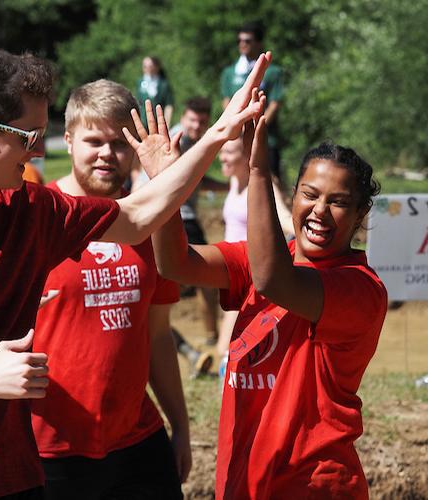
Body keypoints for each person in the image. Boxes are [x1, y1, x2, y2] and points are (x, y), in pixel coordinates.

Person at [0, 47, 271, 498]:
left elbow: (138, 216)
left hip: (16, 479)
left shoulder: (29, 210)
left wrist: (219, 133)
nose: (39, 151)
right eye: (28, 137)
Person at [151, 95, 388, 498]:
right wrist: (163, 184)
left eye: (339, 203)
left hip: (313, 484)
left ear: (362, 214)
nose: (319, 211)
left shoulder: (360, 289)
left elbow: (273, 281)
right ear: (294, 195)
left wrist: (257, 169)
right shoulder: (255, 259)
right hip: (244, 478)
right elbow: (175, 263)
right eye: (310, 194)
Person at [31, 79, 189, 500]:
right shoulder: (37, 218)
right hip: (50, 446)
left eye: (119, 143)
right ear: (67, 140)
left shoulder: (151, 226)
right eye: (93, 140)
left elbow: (158, 336)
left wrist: (181, 427)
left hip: (137, 438)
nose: (106, 153)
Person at [216, 136, 294, 356]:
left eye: (229, 152)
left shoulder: (260, 184)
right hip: (230, 272)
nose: (222, 157)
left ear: (246, 155)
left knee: (230, 349)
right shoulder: (233, 182)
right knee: (228, 348)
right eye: (222, 151)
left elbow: (284, 217)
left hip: (249, 274)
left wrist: (305, 231)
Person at [170, 97, 226, 346]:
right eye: (193, 119)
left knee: (200, 277)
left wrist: (230, 185)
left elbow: (199, 180)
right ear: (184, 117)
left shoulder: (193, 141)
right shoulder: (177, 140)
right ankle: (212, 336)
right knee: (207, 275)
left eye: (202, 121)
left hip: (177, 216)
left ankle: (211, 335)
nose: (196, 125)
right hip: (178, 216)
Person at [221, 21, 284, 180]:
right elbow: (227, 102)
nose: (242, 44)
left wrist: (258, 126)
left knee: (269, 182)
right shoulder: (229, 73)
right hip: (238, 139)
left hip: (267, 138)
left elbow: (275, 104)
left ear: (258, 43)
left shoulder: (273, 72)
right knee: (241, 182)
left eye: (247, 41)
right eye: (239, 41)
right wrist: (238, 128)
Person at [136, 56, 174, 126]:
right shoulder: (140, 82)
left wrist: (167, 124)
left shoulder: (163, 85)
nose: (148, 69)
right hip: (143, 122)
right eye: (145, 66)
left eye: (150, 66)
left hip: (158, 122)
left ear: (157, 67)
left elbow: (168, 105)